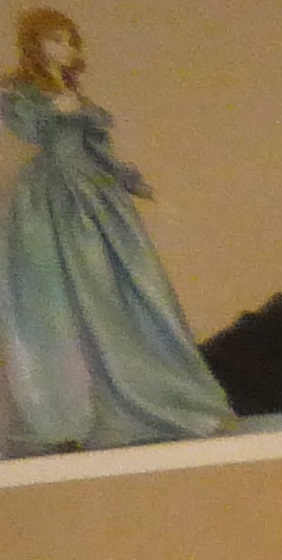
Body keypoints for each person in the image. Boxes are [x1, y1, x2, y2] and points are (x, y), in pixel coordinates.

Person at [1, 11, 236, 457]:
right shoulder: (20, 93)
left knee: (121, 293)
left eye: (69, 40)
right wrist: (53, 110)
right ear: (36, 44)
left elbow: (101, 153)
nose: (65, 48)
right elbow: (26, 129)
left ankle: (141, 398)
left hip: (98, 195)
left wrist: (140, 189)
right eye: (55, 40)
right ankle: (70, 412)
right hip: (51, 199)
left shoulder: (77, 96)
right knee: (60, 299)